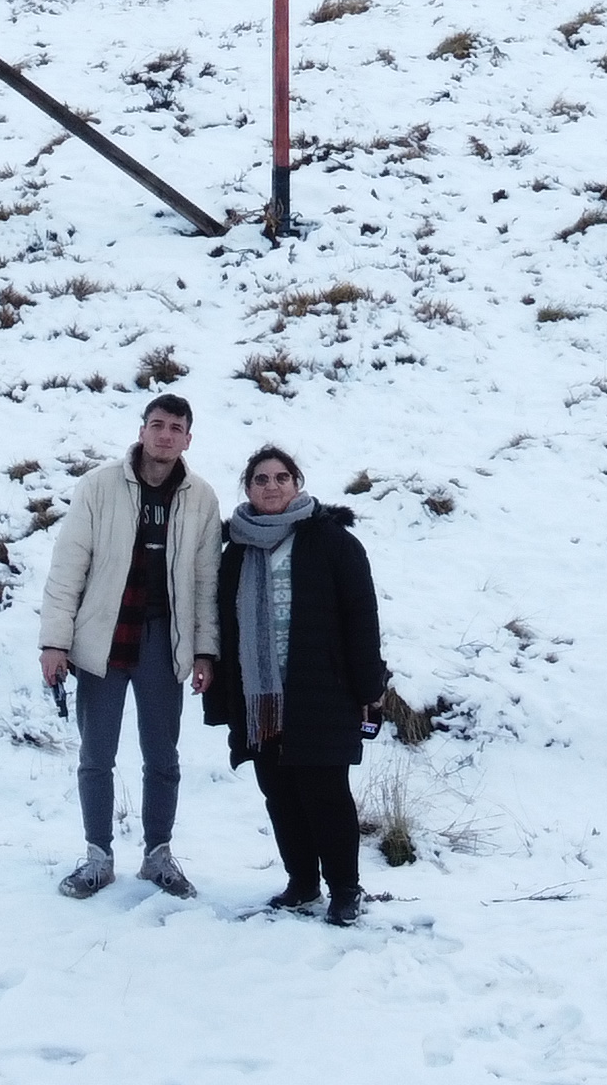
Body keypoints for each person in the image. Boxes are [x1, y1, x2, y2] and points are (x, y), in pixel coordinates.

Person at [37, 393, 222, 898]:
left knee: (163, 755)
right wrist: (55, 640)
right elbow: (67, 567)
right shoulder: (98, 487)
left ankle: (157, 854)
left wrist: (205, 651)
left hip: (163, 638)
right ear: (142, 431)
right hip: (103, 636)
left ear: (188, 438)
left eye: (176, 427)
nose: (165, 435)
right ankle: (98, 855)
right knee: (97, 754)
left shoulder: (201, 497)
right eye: (156, 424)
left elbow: (206, 582)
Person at [207, 444, 388, 925]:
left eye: (281, 478)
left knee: (325, 792)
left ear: (297, 484)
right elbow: (224, 624)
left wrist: (371, 687)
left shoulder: (332, 542)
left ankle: (345, 889)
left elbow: (361, 618)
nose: (271, 487)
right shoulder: (236, 549)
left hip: (321, 692)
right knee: (279, 792)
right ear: (247, 488)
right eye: (261, 479)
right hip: (260, 698)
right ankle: (302, 883)